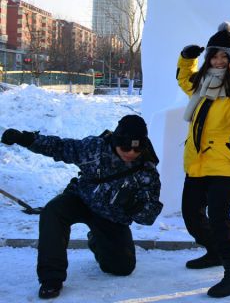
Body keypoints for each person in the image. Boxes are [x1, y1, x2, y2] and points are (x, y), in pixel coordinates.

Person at [0, 114, 163, 300]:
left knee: (122, 268)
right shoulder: (94, 149)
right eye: (125, 147)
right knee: (53, 211)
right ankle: (51, 279)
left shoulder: (147, 172)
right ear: (115, 141)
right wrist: (25, 139)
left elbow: (149, 216)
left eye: (137, 148)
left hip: (111, 216)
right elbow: (61, 147)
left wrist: (132, 204)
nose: (130, 153)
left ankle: (96, 238)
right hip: (81, 199)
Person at [177, 22, 230, 298]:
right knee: (191, 213)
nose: (218, 61)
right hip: (197, 160)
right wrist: (186, 58)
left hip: (225, 159)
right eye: (214, 56)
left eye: (224, 57)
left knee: (218, 217)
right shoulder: (203, 84)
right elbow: (184, 79)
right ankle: (213, 251)